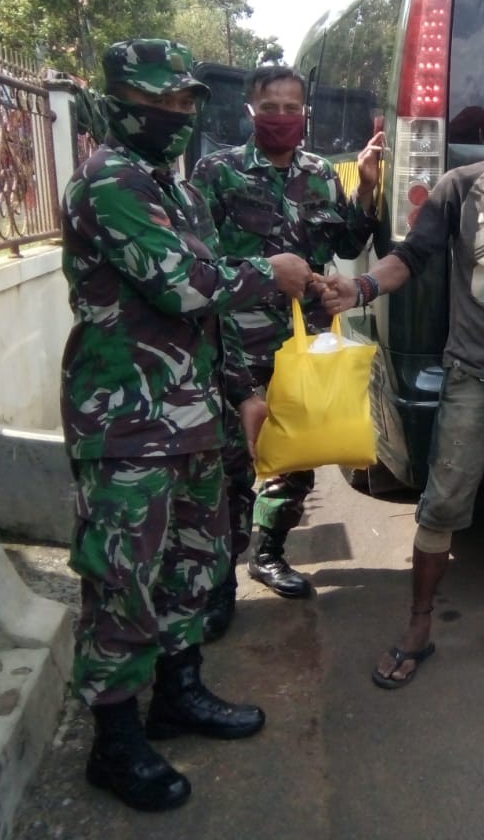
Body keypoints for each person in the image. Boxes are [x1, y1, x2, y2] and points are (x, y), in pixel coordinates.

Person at [61, 38, 313, 811]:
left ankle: (178, 693)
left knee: (190, 567)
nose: (173, 114)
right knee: (122, 581)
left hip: (192, 414)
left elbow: (206, 323)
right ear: (119, 104)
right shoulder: (109, 182)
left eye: (182, 103)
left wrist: (239, 389)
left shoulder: (175, 189)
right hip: (127, 419)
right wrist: (269, 272)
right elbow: (182, 284)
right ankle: (114, 741)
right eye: (158, 102)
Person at [317, 64, 484, 688]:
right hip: (473, 373)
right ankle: (418, 627)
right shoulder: (459, 188)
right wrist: (359, 287)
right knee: (441, 505)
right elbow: (409, 258)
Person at [189, 65, 382, 633]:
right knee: (232, 462)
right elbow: (198, 263)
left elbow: (347, 242)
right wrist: (266, 274)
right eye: (269, 107)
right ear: (250, 112)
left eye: (291, 108)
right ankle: (218, 583)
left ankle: (267, 555)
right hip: (236, 343)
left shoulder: (322, 173)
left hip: (305, 342)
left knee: (296, 456)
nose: (281, 117)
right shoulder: (216, 172)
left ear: (305, 114)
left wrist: (367, 186)